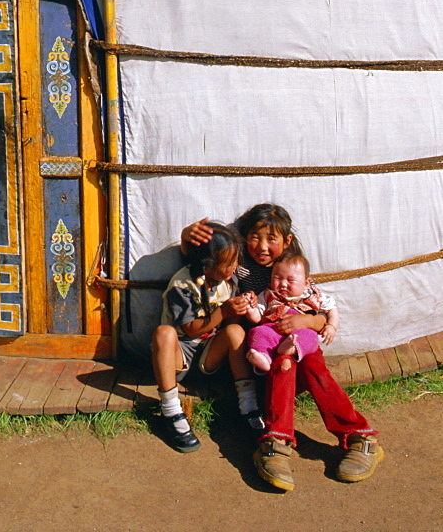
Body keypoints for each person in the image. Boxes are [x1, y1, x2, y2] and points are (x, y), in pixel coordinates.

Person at [182, 204, 384, 488]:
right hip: (257, 354)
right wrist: (185, 236)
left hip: (295, 346)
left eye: (272, 239)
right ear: (242, 238)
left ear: (287, 242)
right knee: (284, 361)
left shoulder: (293, 267)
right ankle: (289, 439)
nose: (262, 247)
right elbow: (202, 259)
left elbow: (321, 311)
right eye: (254, 237)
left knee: (305, 360)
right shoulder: (236, 263)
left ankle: (342, 437)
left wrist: (309, 323)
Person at [151, 222, 263, 453]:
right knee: (164, 333)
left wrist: (242, 308)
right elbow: (191, 330)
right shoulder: (181, 285)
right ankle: (171, 409)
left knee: (236, 332)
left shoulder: (227, 283)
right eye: (229, 263)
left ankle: (249, 405)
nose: (236, 266)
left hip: (209, 355)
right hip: (179, 356)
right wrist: (225, 310)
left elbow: (230, 326)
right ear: (207, 266)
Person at [245, 252, 339, 373]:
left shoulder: (314, 295)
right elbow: (257, 317)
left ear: (306, 284)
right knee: (258, 331)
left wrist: (331, 326)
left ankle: (292, 348)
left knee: (310, 336)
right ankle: (263, 357)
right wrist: (249, 307)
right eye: (277, 278)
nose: (283, 284)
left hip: (300, 332)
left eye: (291, 280)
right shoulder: (267, 295)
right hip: (273, 330)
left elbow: (332, 309)